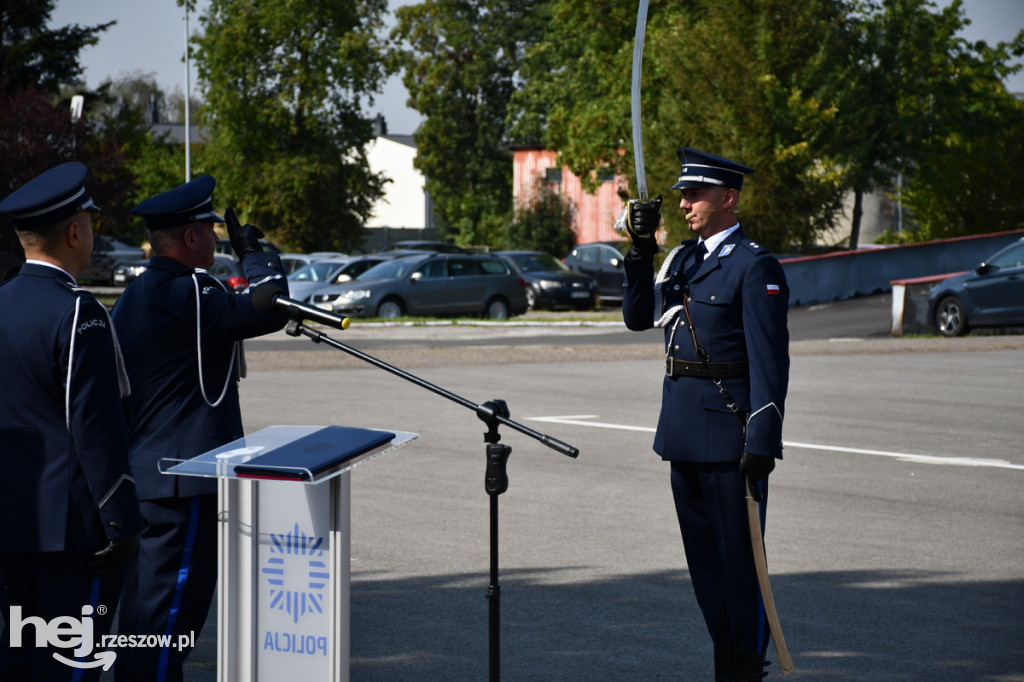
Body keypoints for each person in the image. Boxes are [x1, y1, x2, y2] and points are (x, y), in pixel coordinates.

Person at [111, 175, 289, 681]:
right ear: (190, 239)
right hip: (184, 482)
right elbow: (268, 304)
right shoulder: (191, 290)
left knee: (143, 623)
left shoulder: (137, 293)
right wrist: (255, 253)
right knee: (169, 624)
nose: (217, 240)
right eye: (211, 232)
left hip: (147, 477)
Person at [621, 148, 790, 681]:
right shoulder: (684, 260)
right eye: (683, 195)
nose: (685, 202)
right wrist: (641, 248)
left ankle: (744, 670)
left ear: (728, 198)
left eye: (695, 194)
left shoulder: (753, 264)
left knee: (740, 568)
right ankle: (727, 663)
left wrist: (762, 439)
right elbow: (636, 317)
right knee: (705, 571)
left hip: (731, 439)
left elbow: (770, 359)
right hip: (682, 435)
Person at [0, 163, 142, 680]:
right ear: (75, 232)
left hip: (10, 523)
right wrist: (123, 522)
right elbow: (97, 430)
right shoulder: (79, 312)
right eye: (90, 223)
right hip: (75, 535)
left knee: (15, 660)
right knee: (70, 665)